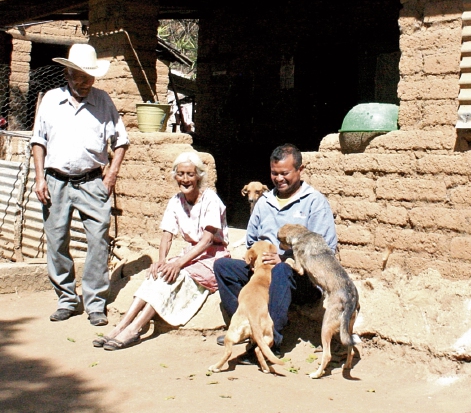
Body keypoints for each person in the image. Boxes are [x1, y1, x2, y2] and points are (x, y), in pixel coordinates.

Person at [31, 43, 129, 327]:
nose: (86, 82)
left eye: (90, 77)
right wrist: (39, 178)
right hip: (55, 181)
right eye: (81, 76)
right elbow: (38, 141)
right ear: (67, 74)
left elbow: (120, 141)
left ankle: (95, 303)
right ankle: (66, 299)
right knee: (56, 241)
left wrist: (111, 174)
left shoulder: (103, 101)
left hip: (91, 181)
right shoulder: (50, 100)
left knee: (98, 241)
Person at [214, 143, 337, 362]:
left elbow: (324, 249)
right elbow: (251, 239)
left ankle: (271, 341)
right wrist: (256, 260)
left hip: (300, 278)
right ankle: (248, 327)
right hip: (264, 273)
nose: (279, 178)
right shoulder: (264, 203)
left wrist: (284, 258)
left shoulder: (314, 203)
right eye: (274, 173)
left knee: (282, 270)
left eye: (285, 173)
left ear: (300, 170)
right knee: (223, 268)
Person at [97, 151, 230, 350]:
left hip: (213, 256)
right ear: (175, 176)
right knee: (156, 274)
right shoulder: (176, 201)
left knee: (173, 276)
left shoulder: (210, 199)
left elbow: (207, 240)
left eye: (190, 175)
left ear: (199, 176)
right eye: (181, 174)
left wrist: (178, 263)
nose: (185, 179)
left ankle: (135, 328)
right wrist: (162, 260)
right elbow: (167, 234)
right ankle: (122, 325)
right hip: (191, 253)